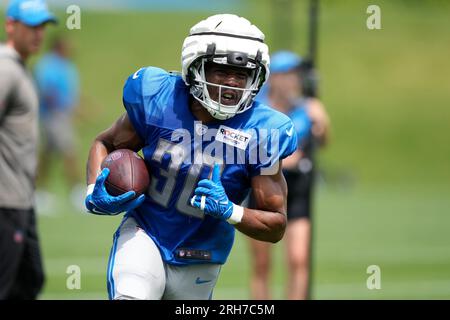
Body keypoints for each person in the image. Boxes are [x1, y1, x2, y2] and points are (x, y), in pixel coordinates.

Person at [84, 14, 298, 300]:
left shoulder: (264, 132)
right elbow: (105, 142)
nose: (232, 83)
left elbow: (276, 225)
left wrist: (231, 211)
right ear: (195, 67)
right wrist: (93, 191)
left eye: (242, 74)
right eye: (221, 71)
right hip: (146, 235)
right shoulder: (158, 99)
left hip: (202, 256)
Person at [248, 51, 330, 300]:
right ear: (275, 78)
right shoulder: (255, 108)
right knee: (262, 265)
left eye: (296, 75)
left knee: (298, 259)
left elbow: (324, 141)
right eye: (289, 74)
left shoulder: (307, 108)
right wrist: (281, 160)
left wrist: (322, 121)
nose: (294, 80)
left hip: (297, 189)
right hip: (263, 188)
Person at [0, 0, 56, 300]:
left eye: (42, 27)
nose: (38, 33)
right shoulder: (5, 70)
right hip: (5, 202)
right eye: (31, 26)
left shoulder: (20, 68)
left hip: (21, 200)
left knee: (30, 279)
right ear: (11, 25)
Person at [34, 35, 82, 210]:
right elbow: (47, 91)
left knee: (47, 156)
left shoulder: (65, 65)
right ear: (58, 47)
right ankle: (76, 192)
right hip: (54, 115)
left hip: (62, 115)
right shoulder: (48, 65)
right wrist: (63, 107)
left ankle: (39, 192)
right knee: (69, 153)